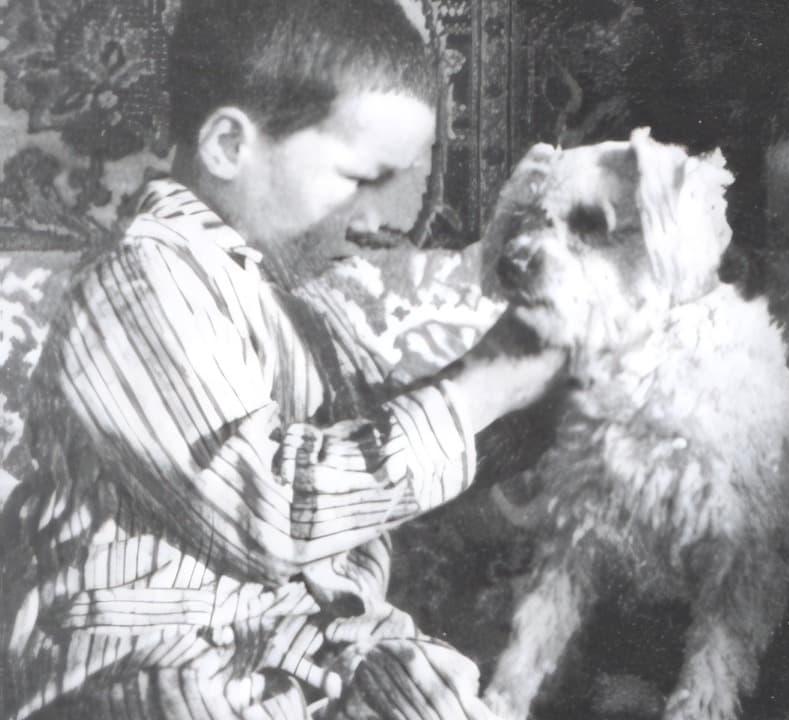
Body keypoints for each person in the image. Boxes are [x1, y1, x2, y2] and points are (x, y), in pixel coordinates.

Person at [0, 0, 565, 718]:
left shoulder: (306, 311)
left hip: (292, 656)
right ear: (230, 146)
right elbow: (269, 510)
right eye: (361, 177)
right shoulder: (140, 281)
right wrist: (479, 386)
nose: (377, 220)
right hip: (145, 661)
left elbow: (381, 467)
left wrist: (550, 395)